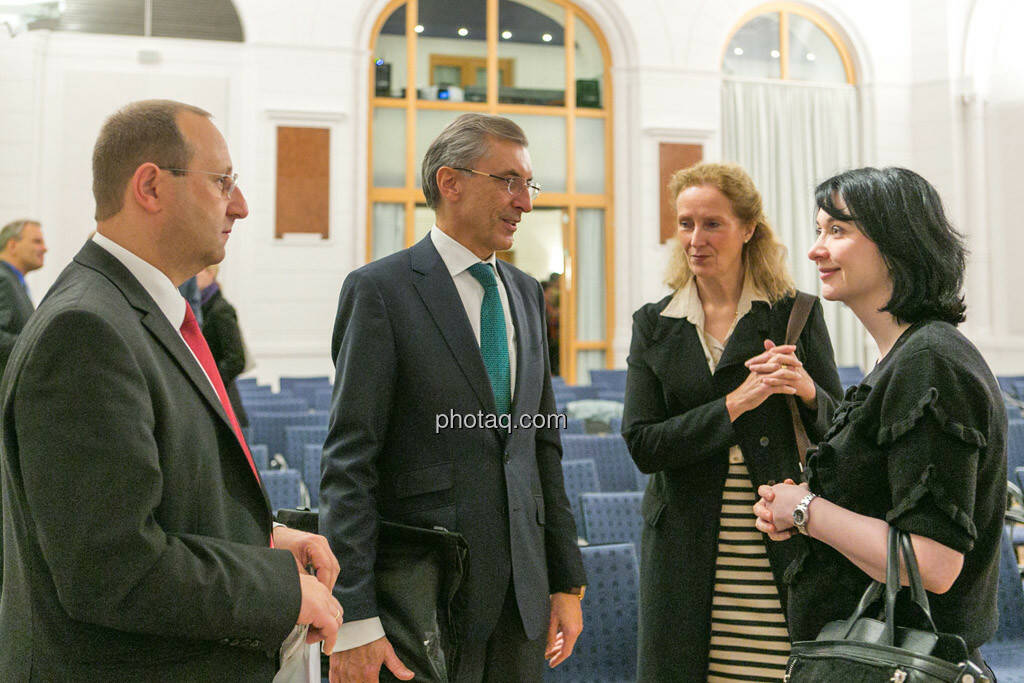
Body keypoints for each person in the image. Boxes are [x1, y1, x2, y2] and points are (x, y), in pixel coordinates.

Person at [0, 99, 343, 681]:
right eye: (223, 182)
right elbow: (114, 569)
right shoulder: (85, 329)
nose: (242, 205)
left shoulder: (133, 313)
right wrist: (282, 590)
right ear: (151, 187)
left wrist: (264, 538)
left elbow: (162, 498)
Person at [321, 112, 586, 683]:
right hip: (425, 597)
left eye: (529, 184)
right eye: (509, 181)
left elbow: (542, 445)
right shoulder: (380, 291)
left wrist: (565, 579)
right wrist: (355, 617)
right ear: (451, 183)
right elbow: (350, 464)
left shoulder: (526, 292)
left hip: (524, 597)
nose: (526, 203)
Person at [754, 167, 1006, 680]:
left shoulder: (930, 362)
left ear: (896, 245)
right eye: (819, 229)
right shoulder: (907, 355)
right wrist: (798, 510)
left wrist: (805, 509)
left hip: (900, 665)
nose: (816, 249)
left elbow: (932, 564)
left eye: (838, 231)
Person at [622, 162, 842, 682]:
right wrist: (735, 404)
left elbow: (840, 431)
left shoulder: (796, 313)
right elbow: (642, 445)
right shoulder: (653, 324)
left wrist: (806, 390)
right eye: (685, 224)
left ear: (748, 229)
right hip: (684, 548)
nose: (695, 239)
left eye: (712, 224)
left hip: (779, 539)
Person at [197, 264, 249, 426]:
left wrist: (209, 381)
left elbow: (236, 360)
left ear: (210, 273)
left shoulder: (220, 309)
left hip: (223, 398)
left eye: (198, 272)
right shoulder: (201, 306)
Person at [0, 218, 45, 377]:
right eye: (37, 241)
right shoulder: (3, 279)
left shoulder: (13, 280)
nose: (45, 248)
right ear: (12, 245)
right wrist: (36, 345)